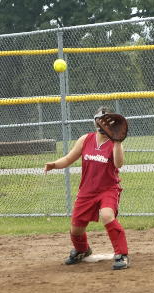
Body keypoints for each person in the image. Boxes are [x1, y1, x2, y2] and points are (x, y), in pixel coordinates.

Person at [44, 106, 129, 270]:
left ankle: (122, 255)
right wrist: (54, 165)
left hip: (108, 189)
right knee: (76, 228)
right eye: (100, 121)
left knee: (107, 215)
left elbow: (119, 164)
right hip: (87, 191)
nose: (103, 124)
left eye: (107, 121)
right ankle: (82, 250)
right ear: (95, 122)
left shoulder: (114, 143)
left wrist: (118, 142)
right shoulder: (86, 139)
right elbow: (68, 159)